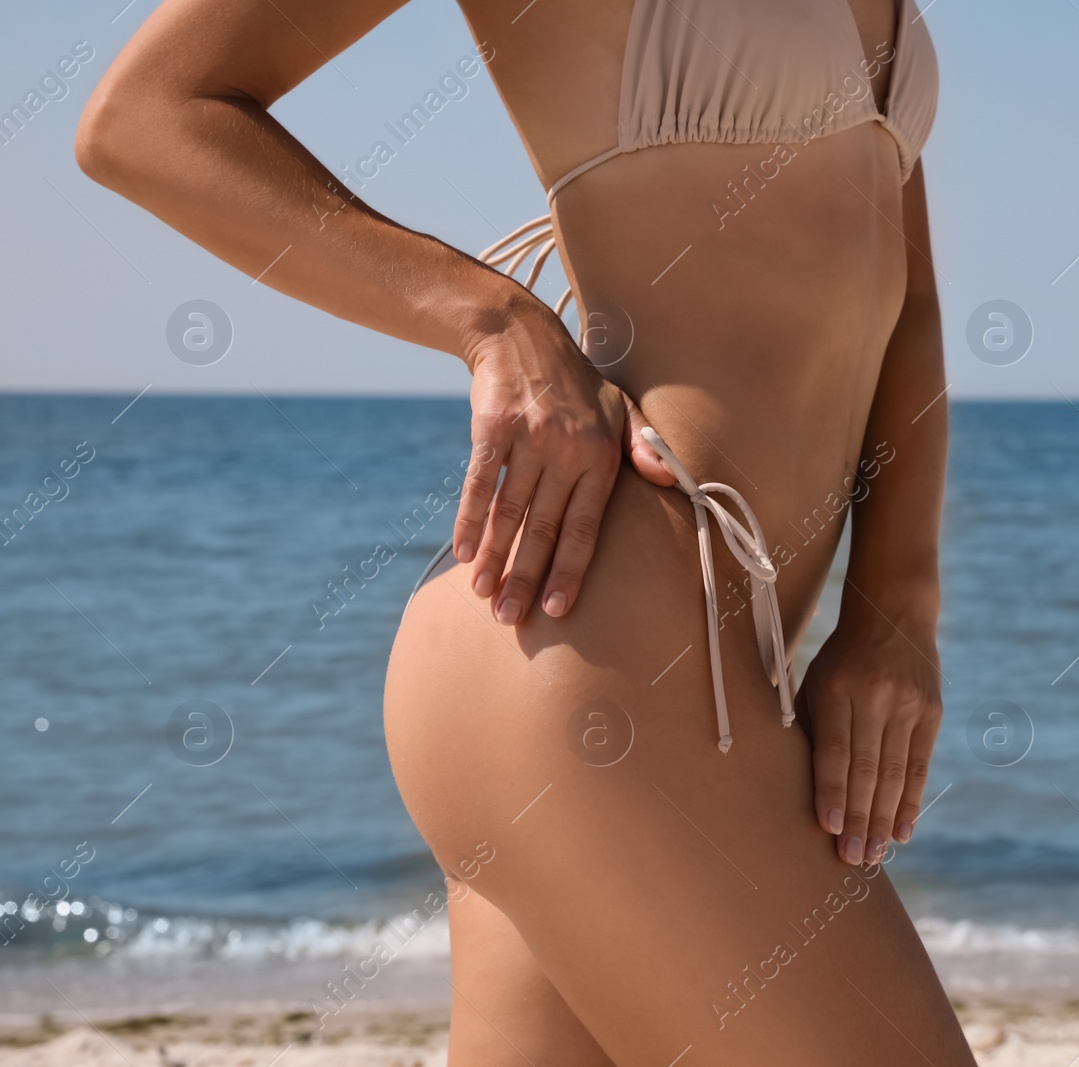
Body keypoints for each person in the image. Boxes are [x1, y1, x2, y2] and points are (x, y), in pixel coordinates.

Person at [77, 0, 970, 1062]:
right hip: (595, 632)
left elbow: (904, 297)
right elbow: (145, 117)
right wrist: (490, 317)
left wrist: (895, 609)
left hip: (672, 669)